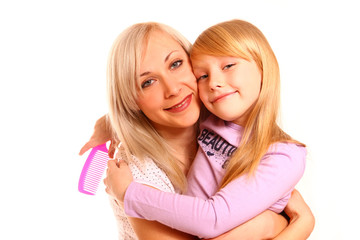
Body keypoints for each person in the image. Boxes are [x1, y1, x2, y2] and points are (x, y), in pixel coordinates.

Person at [81, 21, 314, 239]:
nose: (173, 89)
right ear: (131, 101)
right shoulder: (136, 174)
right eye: (147, 82)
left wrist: (294, 222)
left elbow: (218, 215)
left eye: (175, 64)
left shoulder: (214, 115)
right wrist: (275, 225)